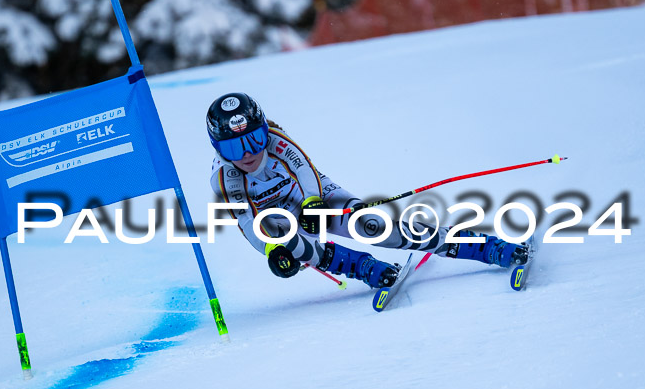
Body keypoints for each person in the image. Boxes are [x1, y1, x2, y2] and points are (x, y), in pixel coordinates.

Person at [208, 93, 528, 288]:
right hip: (279, 219)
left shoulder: (278, 143)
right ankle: (365, 267)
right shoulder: (226, 178)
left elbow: (305, 171)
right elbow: (248, 222)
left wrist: (312, 203)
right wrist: (271, 250)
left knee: (373, 226)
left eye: (253, 140)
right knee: (294, 247)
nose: (247, 154)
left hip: (314, 195)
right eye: (233, 148)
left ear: (265, 131)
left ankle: (485, 247)